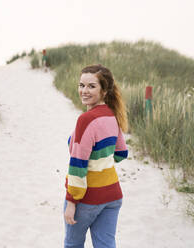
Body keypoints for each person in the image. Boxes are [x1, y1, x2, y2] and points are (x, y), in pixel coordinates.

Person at [64, 64, 128, 248]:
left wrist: (71, 201)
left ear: (104, 90)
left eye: (91, 86)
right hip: (112, 195)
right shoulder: (111, 115)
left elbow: (78, 165)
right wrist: (102, 160)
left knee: (72, 244)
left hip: (88, 198)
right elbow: (121, 153)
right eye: (81, 85)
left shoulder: (85, 120)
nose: (84, 91)